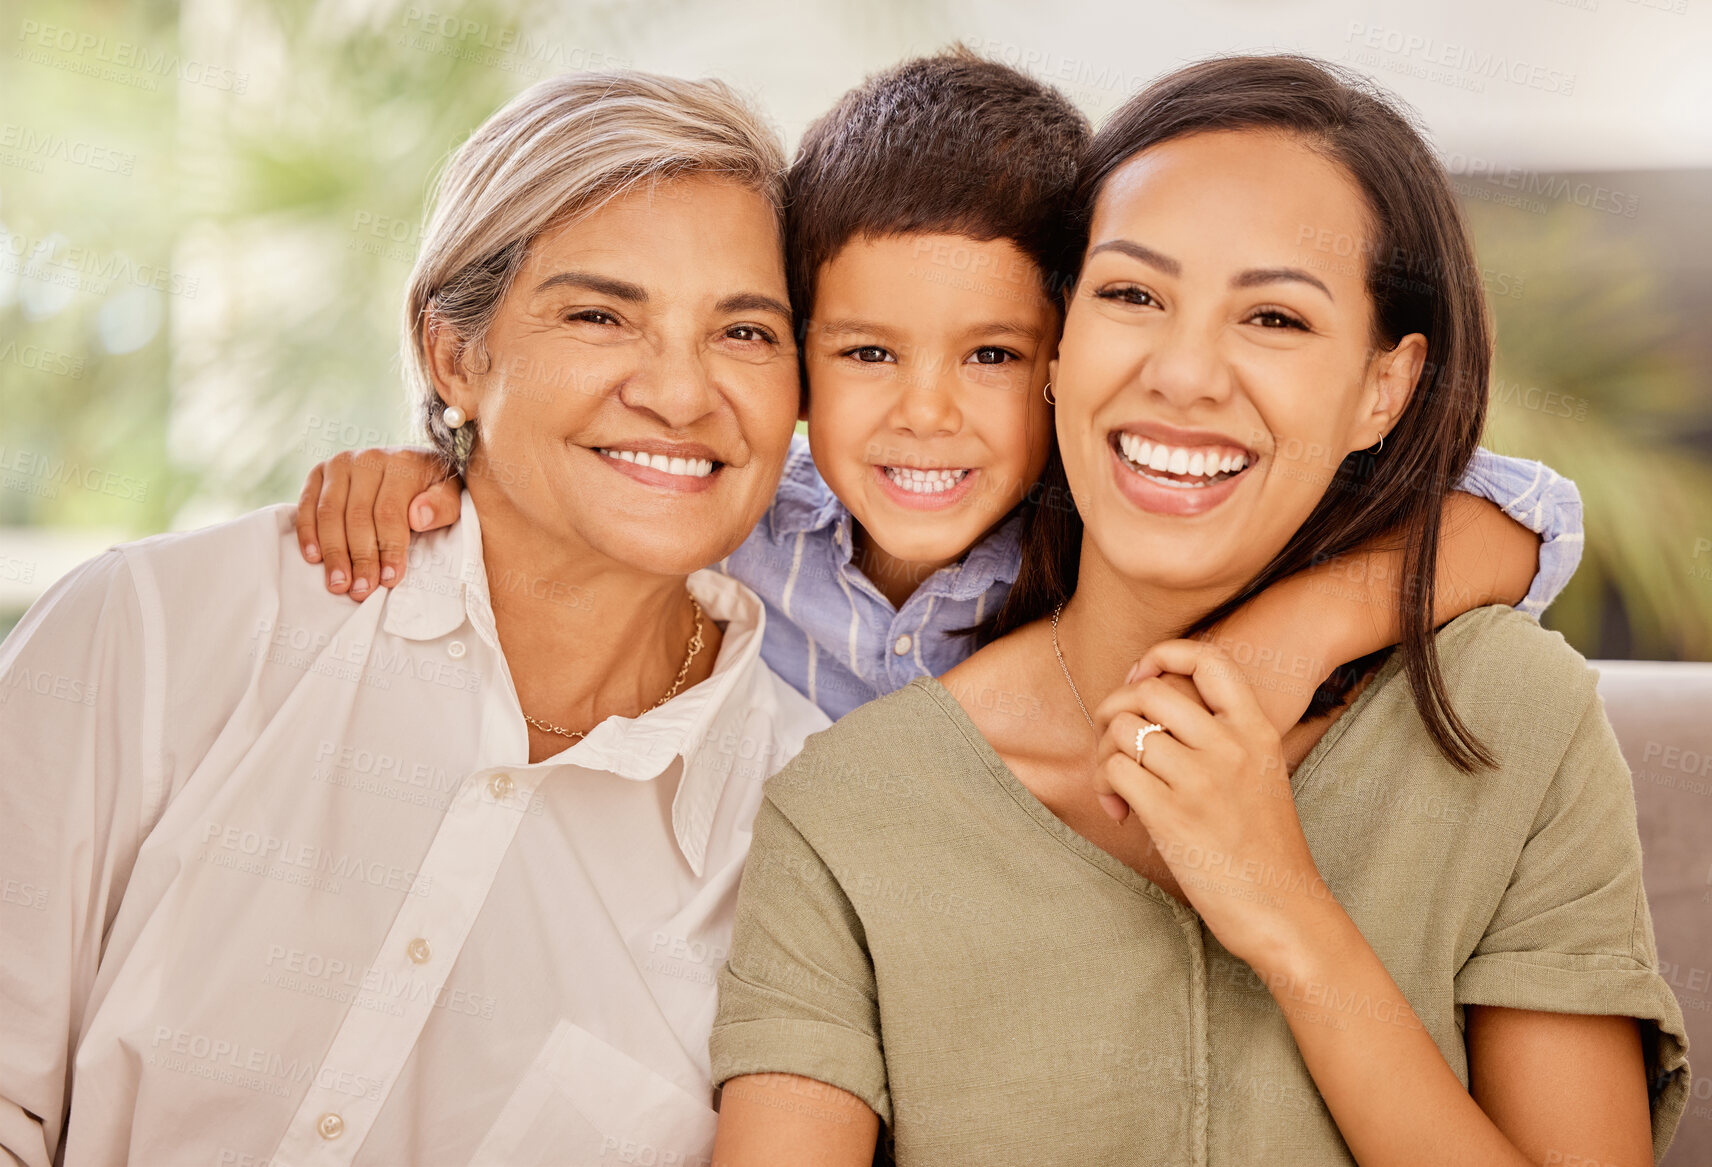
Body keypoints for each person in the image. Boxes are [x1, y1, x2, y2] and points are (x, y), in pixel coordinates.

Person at [707, 56, 1689, 1166]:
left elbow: (1518, 513)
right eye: (1131, 295)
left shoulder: (1512, 720)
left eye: (1272, 316)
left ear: (1383, 387)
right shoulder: (846, 805)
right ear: (1059, 340)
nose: (1183, 373)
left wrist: (1285, 915)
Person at [0, 72, 828, 1165]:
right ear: (454, 355)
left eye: (745, 332)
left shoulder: (805, 834)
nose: (680, 395)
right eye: (598, 314)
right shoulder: (154, 632)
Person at [296, 50, 1582, 733]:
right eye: (864, 354)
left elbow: (1520, 509)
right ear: (792, 360)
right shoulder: (734, 523)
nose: (926, 415)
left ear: (1071, 352)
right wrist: (440, 468)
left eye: (993, 355)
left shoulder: (1119, 534)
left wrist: (1278, 642)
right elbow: (580, 491)